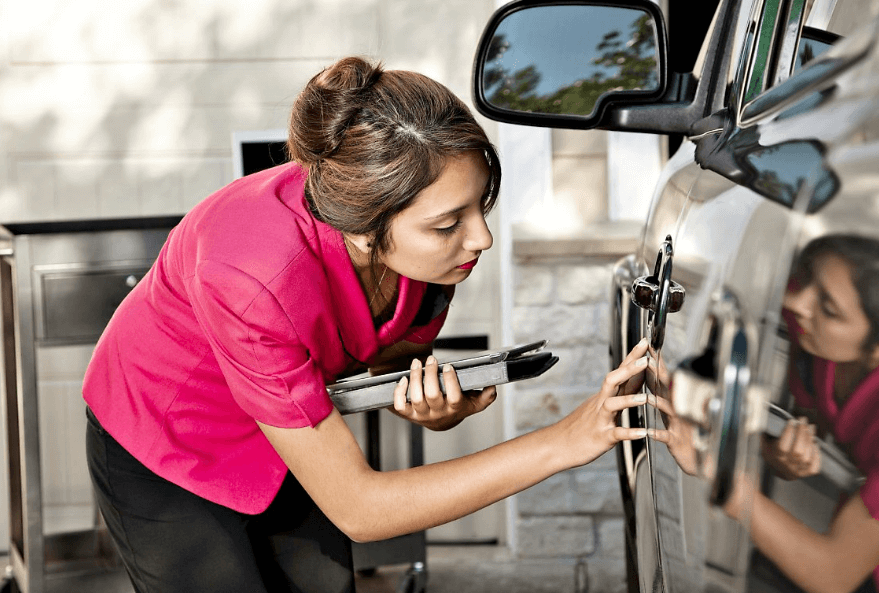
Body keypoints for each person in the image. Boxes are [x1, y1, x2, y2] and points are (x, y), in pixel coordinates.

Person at [84, 56, 654, 593]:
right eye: (449, 222)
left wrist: (435, 408)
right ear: (362, 229)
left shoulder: (427, 255)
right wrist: (566, 440)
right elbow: (360, 509)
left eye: (481, 206)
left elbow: (387, 359)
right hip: (169, 436)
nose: (480, 238)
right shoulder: (251, 275)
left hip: (291, 427)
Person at [653, 234, 879, 593]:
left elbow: (834, 574)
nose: (797, 302)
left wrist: (717, 472)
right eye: (807, 282)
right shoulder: (814, 333)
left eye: (829, 309)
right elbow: (810, 421)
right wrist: (778, 457)